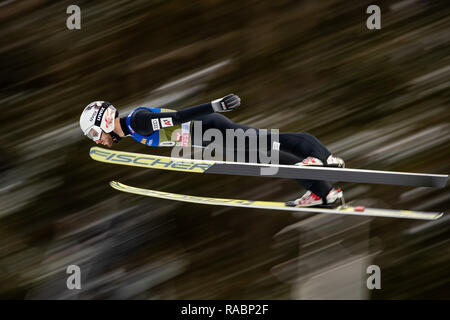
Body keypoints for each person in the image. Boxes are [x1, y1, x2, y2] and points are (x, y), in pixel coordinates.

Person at [79, 95, 345, 207]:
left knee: (266, 155)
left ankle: (322, 182)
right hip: (208, 135)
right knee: (270, 145)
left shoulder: (138, 122)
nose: (97, 140)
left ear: (103, 121)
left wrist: (214, 106)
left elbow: (181, 116)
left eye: (93, 133)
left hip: (209, 129)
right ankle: (325, 172)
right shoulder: (134, 127)